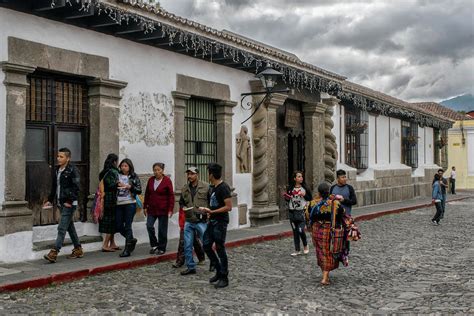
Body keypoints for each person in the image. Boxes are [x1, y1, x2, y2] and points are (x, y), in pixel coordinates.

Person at [308, 182, 357, 285]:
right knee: (328, 253)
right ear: (328, 192)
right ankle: (325, 278)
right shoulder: (334, 204)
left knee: (320, 252)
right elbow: (342, 213)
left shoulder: (312, 203)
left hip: (316, 230)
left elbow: (308, 216)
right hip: (328, 231)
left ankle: (325, 276)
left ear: (319, 192)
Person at [43, 148, 83, 263]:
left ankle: (54, 252)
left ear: (68, 158)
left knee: (61, 228)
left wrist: (70, 201)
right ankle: (78, 248)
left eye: (61, 157)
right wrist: (50, 200)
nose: (58, 158)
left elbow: (77, 187)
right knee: (69, 227)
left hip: (69, 204)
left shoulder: (73, 170)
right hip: (61, 202)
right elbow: (55, 186)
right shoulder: (57, 170)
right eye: (58, 156)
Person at [200, 163, 232, 289]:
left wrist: (212, 212)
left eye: (208, 173)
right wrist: (208, 212)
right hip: (212, 221)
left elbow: (228, 207)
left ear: (211, 174)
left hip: (220, 222)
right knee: (206, 245)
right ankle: (218, 270)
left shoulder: (224, 187)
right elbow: (214, 204)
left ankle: (224, 276)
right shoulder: (213, 187)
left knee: (220, 248)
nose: (208, 175)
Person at [177, 167, 208, 275]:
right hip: (189, 220)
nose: (189, 176)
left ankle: (214, 262)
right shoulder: (185, 189)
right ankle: (191, 266)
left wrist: (209, 212)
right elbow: (181, 202)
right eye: (188, 174)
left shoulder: (206, 186)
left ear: (197, 175)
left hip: (201, 220)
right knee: (187, 245)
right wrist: (183, 207)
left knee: (207, 243)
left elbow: (211, 202)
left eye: (192, 174)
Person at [144, 162, 175, 255]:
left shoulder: (167, 181)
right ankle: (154, 245)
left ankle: (162, 247)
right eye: (155, 170)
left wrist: (170, 209)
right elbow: (147, 194)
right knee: (149, 226)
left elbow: (171, 196)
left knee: (162, 229)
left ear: (162, 170)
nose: (156, 172)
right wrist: (145, 206)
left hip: (163, 209)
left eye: (158, 170)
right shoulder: (151, 180)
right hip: (152, 209)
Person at [116, 158, 142, 257]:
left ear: (129, 167)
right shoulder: (117, 175)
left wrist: (129, 187)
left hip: (130, 203)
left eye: (125, 166)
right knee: (118, 225)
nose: (123, 167)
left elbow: (139, 190)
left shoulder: (134, 176)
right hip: (118, 203)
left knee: (128, 226)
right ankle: (131, 239)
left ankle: (127, 250)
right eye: (122, 165)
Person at [283, 171, 312, 256]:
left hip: (301, 212)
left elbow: (310, 198)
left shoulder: (304, 188)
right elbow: (287, 200)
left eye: (301, 176)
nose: (301, 178)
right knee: (295, 231)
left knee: (301, 230)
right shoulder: (290, 188)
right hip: (292, 212)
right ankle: (297, 250)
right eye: (299, 176)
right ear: (295, 178)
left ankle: (305, 245)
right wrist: (287, 197)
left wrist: (304, 195)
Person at [99, 153, 120, 252]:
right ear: (115, 162)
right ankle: (105, 244)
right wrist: (118, 183)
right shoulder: (113, 171)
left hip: (105, 197)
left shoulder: (104, 172)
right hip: (111, 198)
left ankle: (112, 243)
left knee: (110, 219)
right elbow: (112, 184)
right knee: (111, 221)